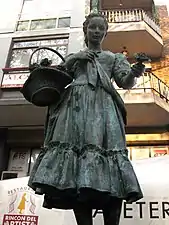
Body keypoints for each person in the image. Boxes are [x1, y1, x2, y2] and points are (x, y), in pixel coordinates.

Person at [28, 13, 144, 225]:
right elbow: (58, 78)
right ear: (86, 30)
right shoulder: (75, 57)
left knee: (111, 160)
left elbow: (125, 82)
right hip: (76, 110)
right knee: (77, 171)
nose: (97, 32)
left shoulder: (113, 57)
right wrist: (75, 59)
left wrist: (136, 71)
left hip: (104, 109)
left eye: (101, 28)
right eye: (93, 28)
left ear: (105, 32)